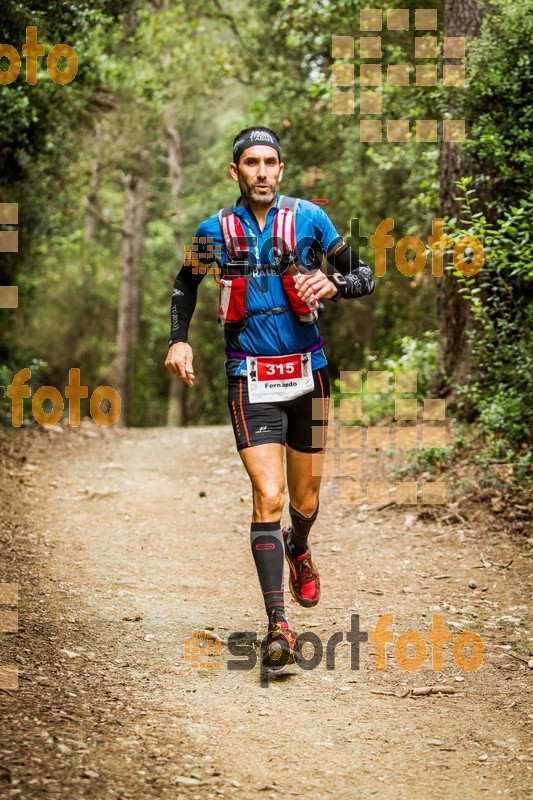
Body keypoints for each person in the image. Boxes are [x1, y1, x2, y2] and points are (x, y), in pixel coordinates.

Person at [165, 126, 374, 669]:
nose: (261, 171)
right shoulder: (214, 230)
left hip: (309, 375)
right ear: (235, 171)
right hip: (249, 378)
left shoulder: (309, 219)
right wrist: (179, 339)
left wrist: (334, 284)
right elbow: (185, 283)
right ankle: (278, 625)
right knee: (270, 493)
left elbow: (363, 275)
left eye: (270, 162)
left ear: (280, 170)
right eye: (250, 162)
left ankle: (298, 546)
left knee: (304, 505)